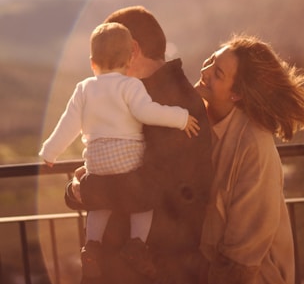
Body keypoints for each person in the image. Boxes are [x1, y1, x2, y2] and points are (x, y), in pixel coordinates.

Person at [39, 21, 200, 279]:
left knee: (98, 204)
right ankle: (137, 243)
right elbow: (147, 112)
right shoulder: (131, 86)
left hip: (97, 163)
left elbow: (68, 124)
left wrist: (50, 152)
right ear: (129, 58)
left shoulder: (83, 89)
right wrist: (181, 118)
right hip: (127, 162)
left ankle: (92, 244)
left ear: (92, 62)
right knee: (143, 202)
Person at [195, 34, 304, 284]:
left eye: (218, 73)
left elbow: (242, 257)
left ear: (236, 95)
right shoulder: (196, 120)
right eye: (212, 59)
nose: (206, 70)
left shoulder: (253, 145)